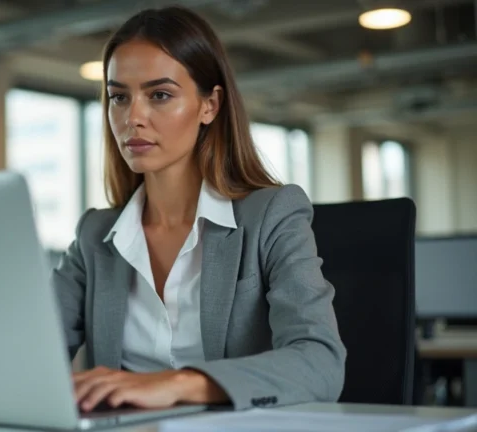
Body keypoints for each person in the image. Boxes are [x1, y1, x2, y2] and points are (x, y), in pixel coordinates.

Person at [53, 6, 346, 412]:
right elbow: (29, 354)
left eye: (159, 95)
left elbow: (320, 363)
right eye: (119, 97)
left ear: (210, 105)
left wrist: (177, 384)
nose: (132, 117)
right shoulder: (95, 236)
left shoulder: (271, 216)